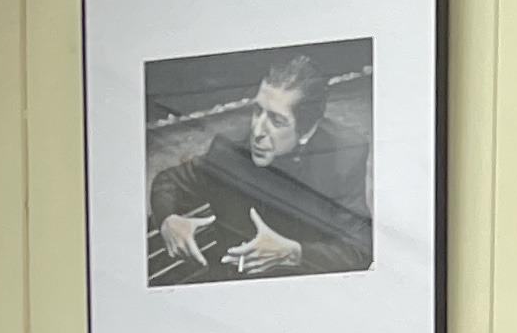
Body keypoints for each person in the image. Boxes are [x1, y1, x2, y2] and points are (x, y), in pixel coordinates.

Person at [147, 42, 373, 280]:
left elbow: (360, 249)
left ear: (307, 131)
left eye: (276, 120)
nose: (257, 130)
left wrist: (295, 253)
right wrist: (168, 220)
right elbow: (169, 181)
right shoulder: (230, 149)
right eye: (258, 111)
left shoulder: (343, 155)